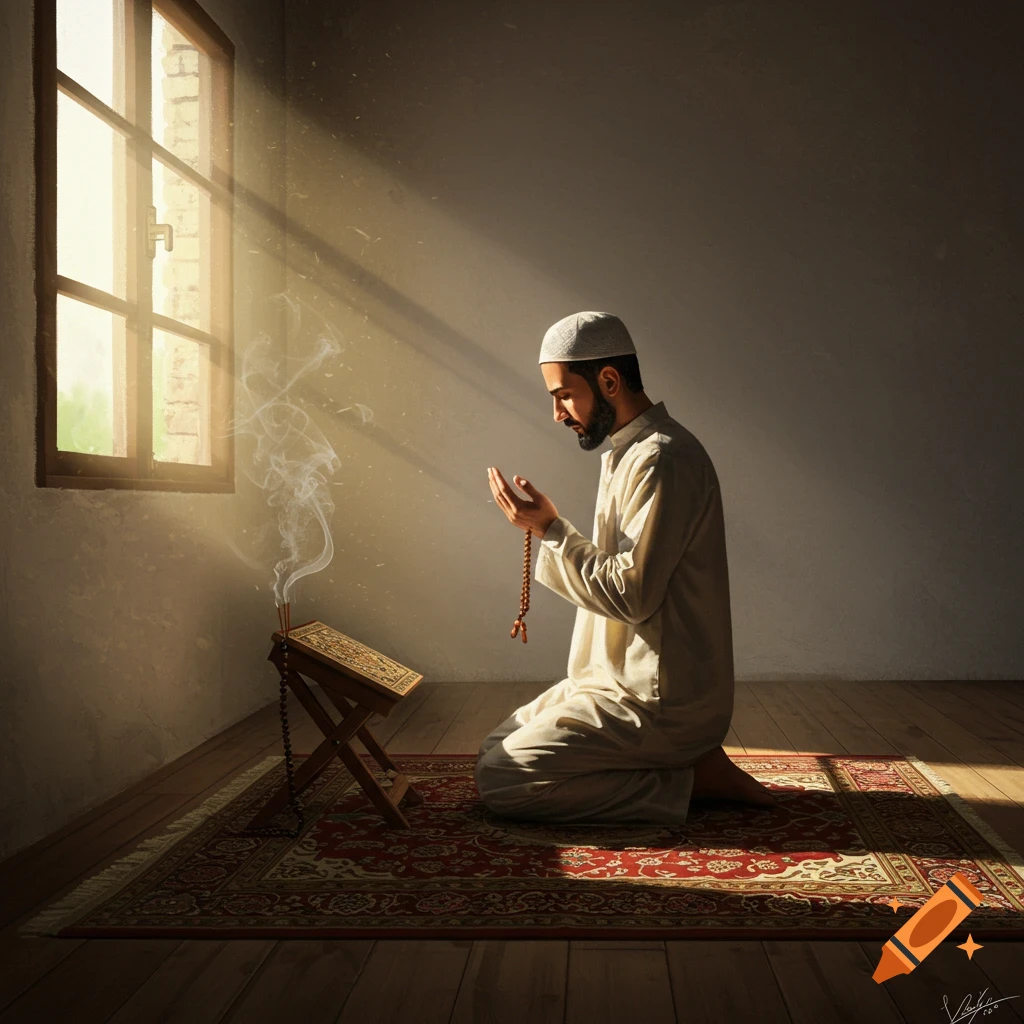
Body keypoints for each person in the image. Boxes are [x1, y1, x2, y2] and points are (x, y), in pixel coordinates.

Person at [477, 311, 775, 824]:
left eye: (563, 394)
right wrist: (548, 528)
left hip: (660, 700)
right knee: (493, 751)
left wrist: (550, 531)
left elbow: (632, 596)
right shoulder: (627, 452)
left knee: (504, 780)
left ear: (609, 381)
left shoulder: (663, 458)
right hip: (608, 682)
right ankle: (686, 767)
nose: (557, 413)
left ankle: (681, 781)